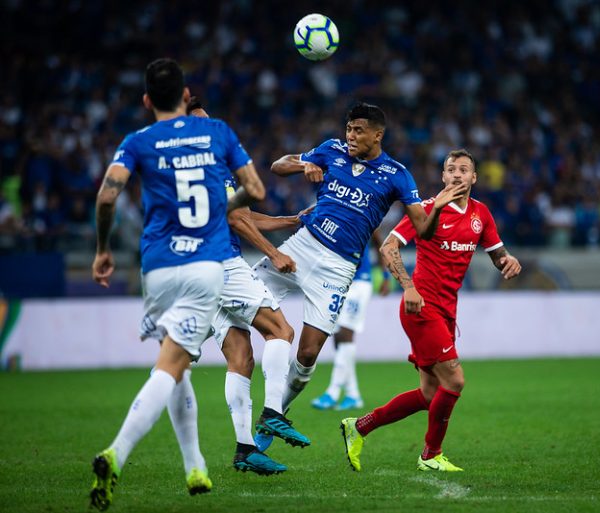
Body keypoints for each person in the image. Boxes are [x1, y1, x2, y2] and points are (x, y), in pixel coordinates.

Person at [88, 58, 265, 511]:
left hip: (160, 265)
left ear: (147, 100)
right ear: (187, 96)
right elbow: (255, 190)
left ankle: (195, 465)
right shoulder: (218, 133)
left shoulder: (137, 141)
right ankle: (117, 453)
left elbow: (107, 196)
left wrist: (103, 249)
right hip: (207, 264)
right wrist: (220, 208)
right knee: (172, 365)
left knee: (174, 360)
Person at [253, 102, 468, 451]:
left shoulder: (397, 174)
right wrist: (303, 163)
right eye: (348, 129)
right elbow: (278, 166)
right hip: (303, 245)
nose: (350, 136)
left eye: (358, 131)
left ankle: (276, 412)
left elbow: (424, 230)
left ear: (377, 134)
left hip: (339, 268)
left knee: (308, 354)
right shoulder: (330, 150)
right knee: (240, 295)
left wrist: (440, 203)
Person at [340, 149, 522, 472]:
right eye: (450, 169)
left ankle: (359, 426)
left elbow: (498, 254)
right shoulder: (425, 209)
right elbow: (388, 247)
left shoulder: (481, 214)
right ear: (442, 176)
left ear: (474, 177)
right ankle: (430, 454)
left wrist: (508, 260)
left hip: (447, 311)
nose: (456, 175)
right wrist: (408, 287)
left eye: (463, 170)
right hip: (421, 306)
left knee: (429, 394)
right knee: (455, 380)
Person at [186, 99, 309, 474]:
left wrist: (288, 219)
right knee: (281, 330)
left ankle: (244, 450)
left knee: (241, 357)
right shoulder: (210, 164)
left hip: (193, 267)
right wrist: (274, 254)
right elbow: (237, 219)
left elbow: (244, 214)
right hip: (220, 261)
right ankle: (274, 412)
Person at [310, 235, 390, 411]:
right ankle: (353, 395)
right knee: (338, 338)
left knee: (345, 334)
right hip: (338, 282)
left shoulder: (369, 215)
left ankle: (332, 392)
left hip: (359, 283)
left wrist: (385, 274)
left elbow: (380, 243)